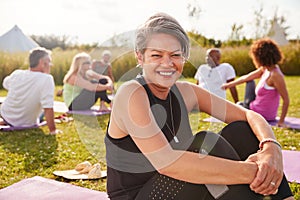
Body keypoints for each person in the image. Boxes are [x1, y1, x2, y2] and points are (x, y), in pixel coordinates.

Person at [104, 13, 293, 200]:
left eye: (175, 55)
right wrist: (258, 172)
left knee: (241, 130)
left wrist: (271, 149)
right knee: (204, 144)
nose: (167, 63)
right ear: (140, 57)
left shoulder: (187, 92)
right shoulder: (131, 94)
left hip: (181, 188)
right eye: (156, 55)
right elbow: (167, 162)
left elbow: (249, 115)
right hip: (141, 195)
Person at [222, 38, 289, 127]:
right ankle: (242, 105)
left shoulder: (275, 76)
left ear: (260, 57)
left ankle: (241, 105)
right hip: (254, 106)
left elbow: (286, 100)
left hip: (260, 115)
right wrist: (228, 85)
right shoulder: (266, 69)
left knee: (237, 107)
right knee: (249, 81)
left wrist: (281, 121)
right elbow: (246, 78)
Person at [0, 47, 60, 135]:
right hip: (26, 122)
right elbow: (48, 108)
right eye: (49, 62)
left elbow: (6, 84)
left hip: (6, 115)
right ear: (43, 63)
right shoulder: (47, 79)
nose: (51, 65)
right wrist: (53, 130)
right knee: (42, 112)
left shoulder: (17, 73)